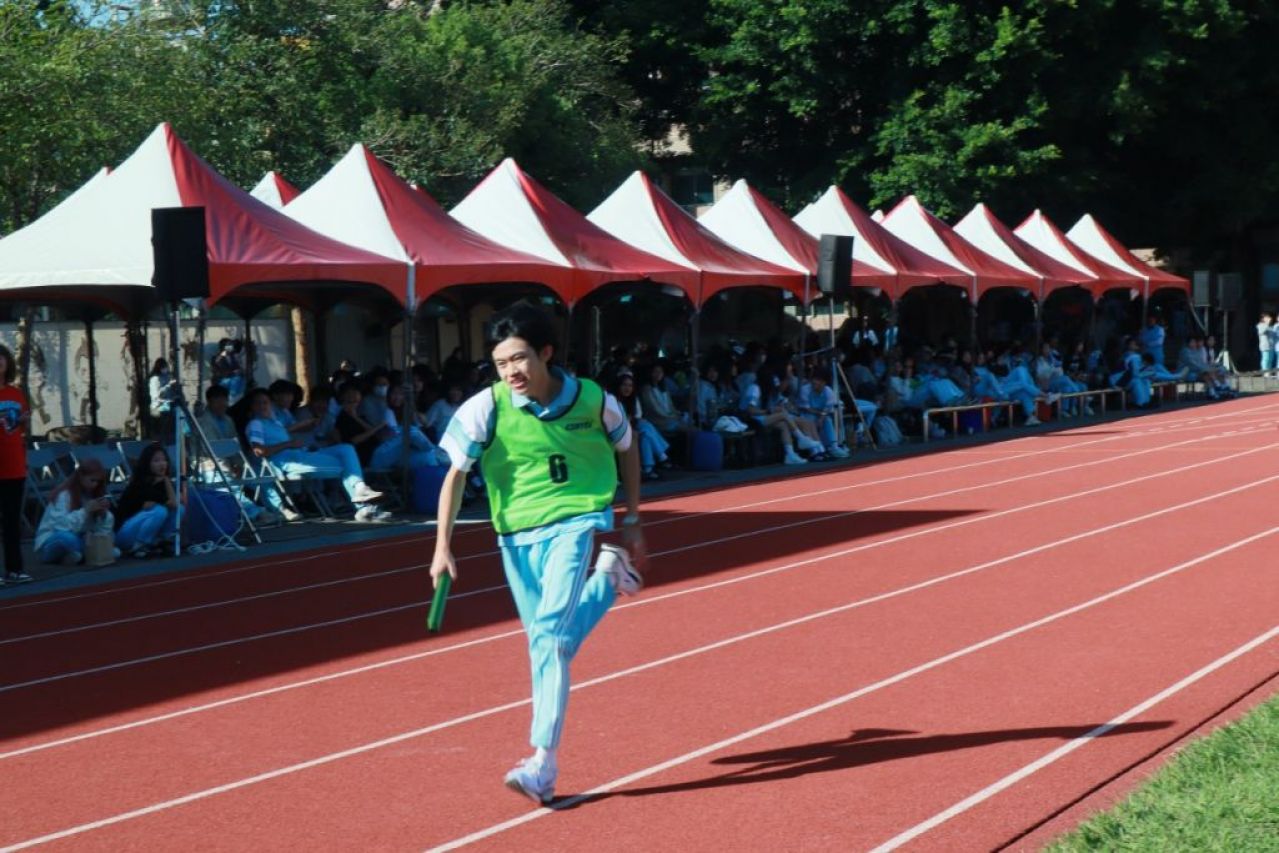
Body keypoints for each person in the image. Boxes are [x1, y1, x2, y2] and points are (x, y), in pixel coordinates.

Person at [430, 301, 647, 806]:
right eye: (500, 363)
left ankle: (542, 762)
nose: (510, 371)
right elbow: (455, 477)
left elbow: (628, 446)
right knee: (547, 645)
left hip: (576, 522)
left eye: (519, 358)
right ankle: (608, 579)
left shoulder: (593, 399)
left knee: (549, 636)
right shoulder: (486, 407)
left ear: (545, 353)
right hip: (514, 535)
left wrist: (633, 516)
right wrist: (442, 547)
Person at [245, 388, 387, 522]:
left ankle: (360, 489)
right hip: (288, 462)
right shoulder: (256, 424)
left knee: (346, 449)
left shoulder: (275, 422)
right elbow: (259, 451)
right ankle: (363, 507)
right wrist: (288, 444)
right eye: (258, 403)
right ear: (252, 407)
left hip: (302, 454)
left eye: (265, 402)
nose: (263, 406)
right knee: (347, 466)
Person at [35, 458, 115, 565]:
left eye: (98, 481)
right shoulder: (64, 495)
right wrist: (85, 511)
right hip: (53, 538)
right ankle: (83, 553)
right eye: (92, 480)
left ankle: (73, 556)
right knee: (67, 539)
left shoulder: (94, 494)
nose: (95, 484)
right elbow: (60, 526)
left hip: (81, 537)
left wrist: (104, 515)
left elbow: (100, 530)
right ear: (81, 477)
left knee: (110, 537)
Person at [115, 443, 181, 558]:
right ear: (147, 464)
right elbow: (171, 503)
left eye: (164, 460)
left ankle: (163, 540)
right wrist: (166, 480)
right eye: (156, 461)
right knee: (160, 511)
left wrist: (166, 480)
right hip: (124, 533)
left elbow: (175, 505)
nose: (162, 464)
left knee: (180, 509)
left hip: (141, 530)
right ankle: (139, 546)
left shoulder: (161, 482)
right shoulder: (141, 483)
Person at [0, 344, 31, 584]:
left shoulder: (16, 393)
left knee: (12, 521)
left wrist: (22, 420)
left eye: (2, 359)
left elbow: (22, 427)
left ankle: (14, 569)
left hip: (14, 464)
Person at [612, 371, 671, 480]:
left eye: (630, 385)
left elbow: (637, 415)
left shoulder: (633, 399)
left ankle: (647, 469)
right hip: (618, 431)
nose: (627, 388)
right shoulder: (612, 400)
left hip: (632, 427)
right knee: (645, 426)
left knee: (645, 435)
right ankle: (661, 456)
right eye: (624, 385)